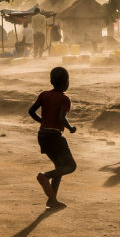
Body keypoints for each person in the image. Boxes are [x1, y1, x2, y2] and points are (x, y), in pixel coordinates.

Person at [28, 67, 77, 209]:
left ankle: (52, 201)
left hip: (42, 135)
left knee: (59, 167)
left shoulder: (44, 94)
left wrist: (43, 122)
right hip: (55, 137)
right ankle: (46, 175)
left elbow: (31, 111)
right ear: (67, 83)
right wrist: (71, 128)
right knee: (71, 166)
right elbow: (62, 118)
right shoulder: (65, 98)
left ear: (51, 81)